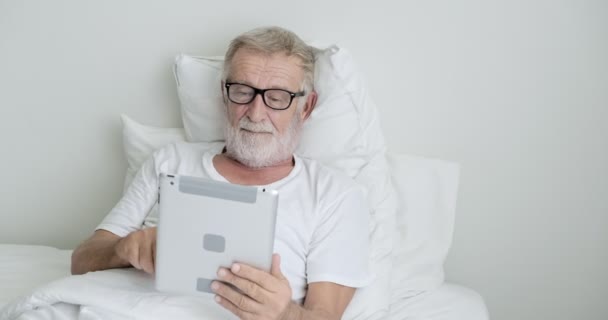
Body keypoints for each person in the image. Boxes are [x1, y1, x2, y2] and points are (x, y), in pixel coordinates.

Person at [71, 26, 372, 320]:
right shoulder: (170, 160)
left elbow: (324, 315)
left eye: (277, 97)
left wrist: (283, 314)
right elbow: (82, 260)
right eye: (242, 91)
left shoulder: (335, 194)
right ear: (224, 95)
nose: (255, 113)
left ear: (305, 108)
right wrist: (124, 250)